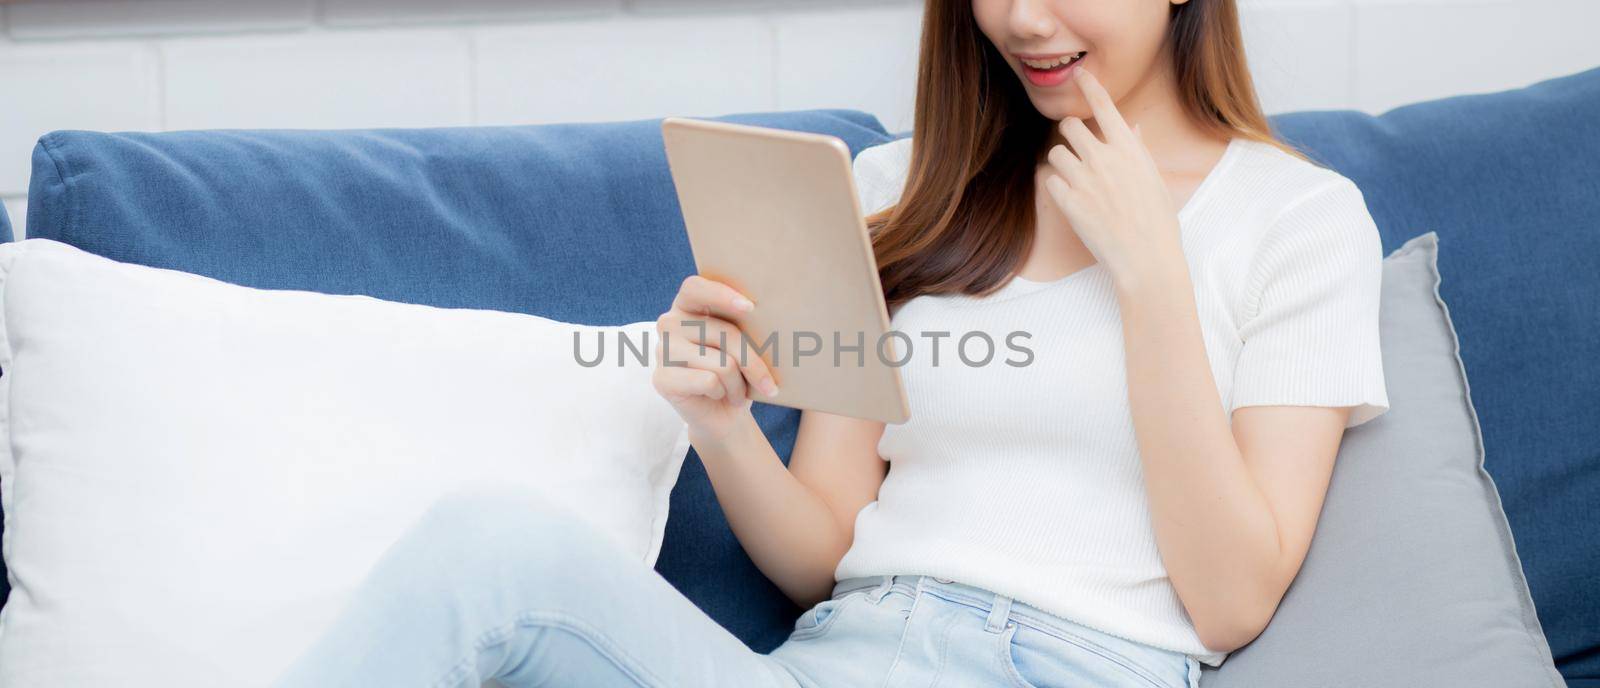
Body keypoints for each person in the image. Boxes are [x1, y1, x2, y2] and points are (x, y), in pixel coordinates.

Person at [275, 0, 1389, 686]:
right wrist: (719, 425)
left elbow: (1234, 598)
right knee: (485, 548)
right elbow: (825, 555)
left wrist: (1152, 276)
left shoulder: (1299, 220)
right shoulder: (895, 190)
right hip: (837, 659)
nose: (1024, 20)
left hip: (1074, 665)